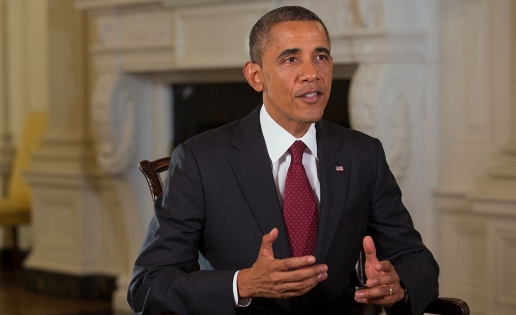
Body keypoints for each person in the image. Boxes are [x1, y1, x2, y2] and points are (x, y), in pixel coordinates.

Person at [128, 6, 438, 315]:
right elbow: (148, 286)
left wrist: (397, 285)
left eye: (321, 56)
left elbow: (414, 257)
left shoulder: (362, 154)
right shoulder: (200, 159)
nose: (312, 73)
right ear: (255, 76)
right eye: (291, 59)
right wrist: (243, 284)